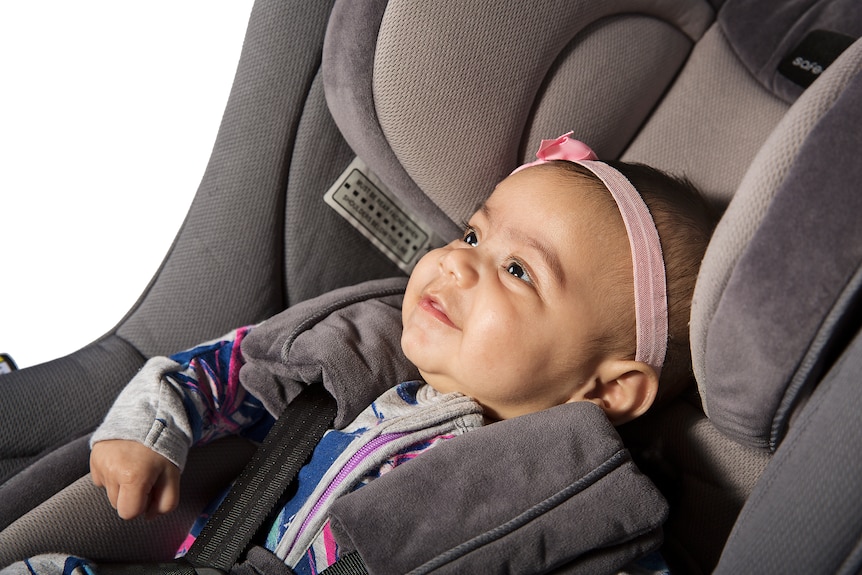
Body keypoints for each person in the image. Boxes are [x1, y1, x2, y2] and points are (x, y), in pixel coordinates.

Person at [3, 134, 716, 574]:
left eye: (518, 271)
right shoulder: (358, 364)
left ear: (608, 388)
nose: (458, 264)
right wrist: (149, 428)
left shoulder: (570, 506)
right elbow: (224, 371)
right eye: (472, 236)